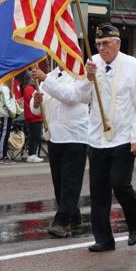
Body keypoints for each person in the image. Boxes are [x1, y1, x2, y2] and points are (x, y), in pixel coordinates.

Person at [65, 24, 136, 252]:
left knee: (120, 183)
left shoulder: (132, 65)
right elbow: (81, 97)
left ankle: (135, 223)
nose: (101, 48)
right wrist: (87, 79)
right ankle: (103, 239)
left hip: (123, 136)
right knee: (99, 190)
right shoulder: (92, 63)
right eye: (98, 44)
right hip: (97, 138)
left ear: (118, 43)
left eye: (106, 44)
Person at [31, 64, 88, 236]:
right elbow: (35, 109)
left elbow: (70, 96)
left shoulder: (81, 75)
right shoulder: (50, 76)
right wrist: (36, 101)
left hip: (75, 135)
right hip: (54, 136)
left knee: (71, 180)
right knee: (59, 181)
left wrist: (45, 79)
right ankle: (73, 214)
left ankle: (62, 221)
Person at [21, 70, 44, 163]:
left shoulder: (27, 88)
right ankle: (32, 154)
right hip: (34, 117)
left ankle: (32, 154)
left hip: (32, 117)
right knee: (35, 136)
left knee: (34, 136)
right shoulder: (29, 89)